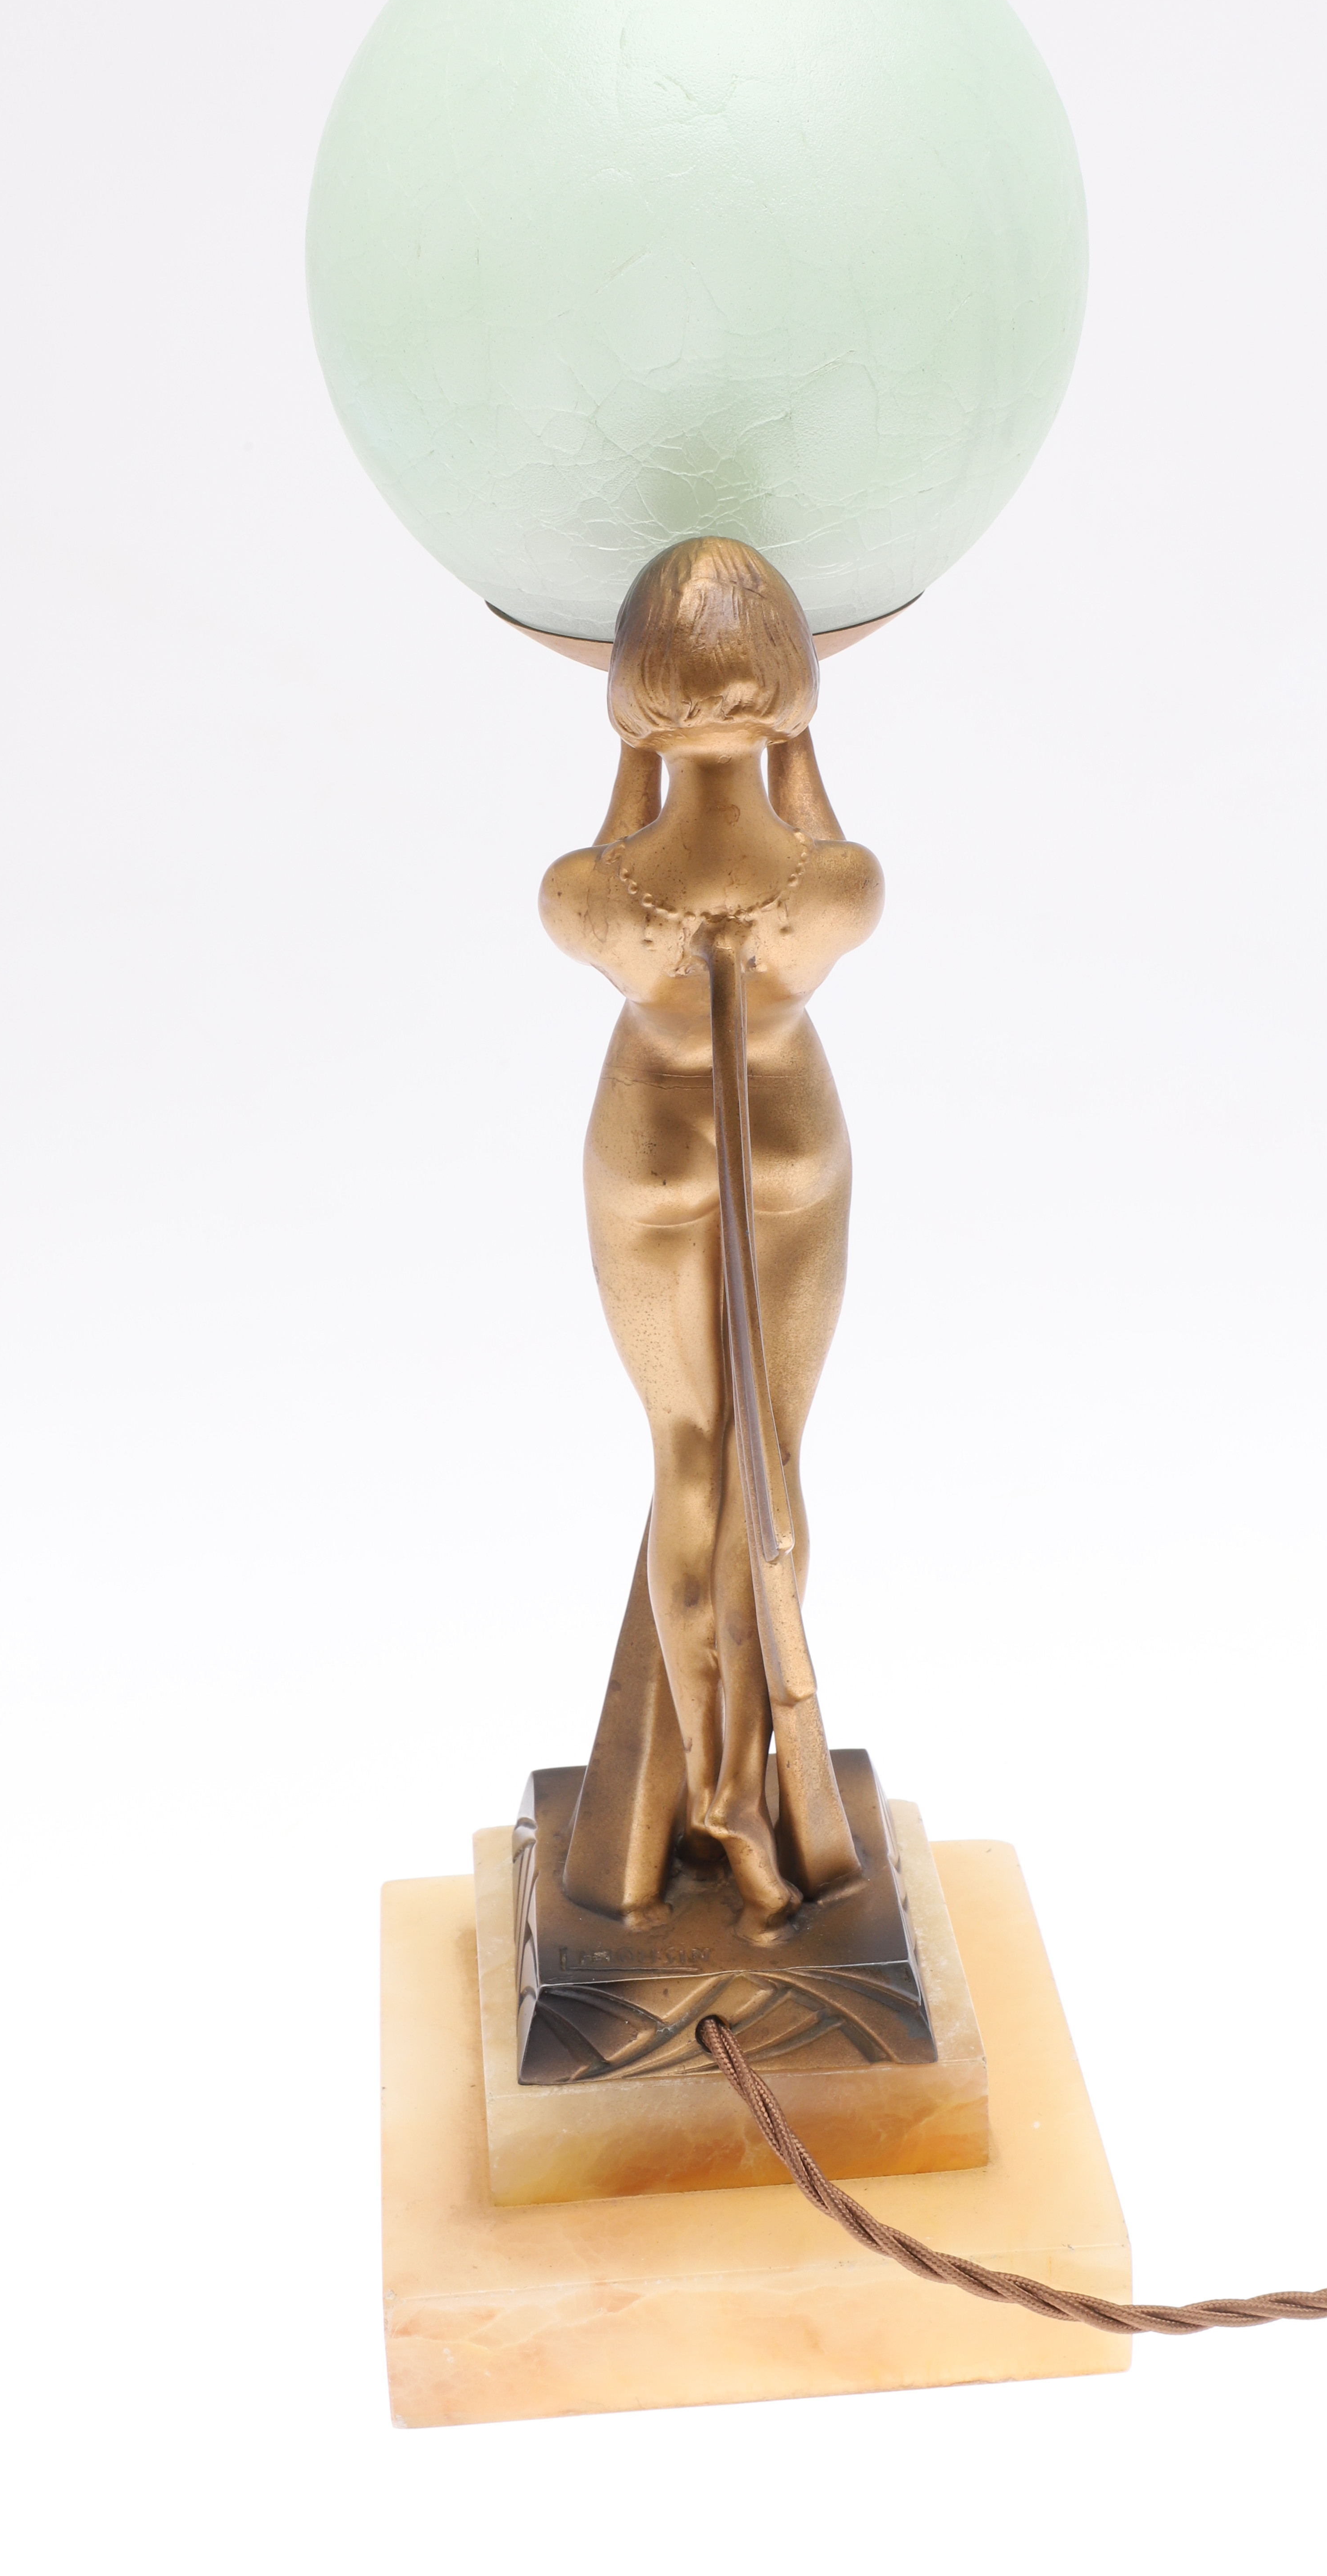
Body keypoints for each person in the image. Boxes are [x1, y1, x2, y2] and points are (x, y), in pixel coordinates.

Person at [540, 538, 884, 1929]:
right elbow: (829, 846)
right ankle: (752, 1779)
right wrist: (799, 743)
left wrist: (632, 756)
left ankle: (729, 1794)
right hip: (791, 1136)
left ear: (636, 694)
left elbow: (603, 870)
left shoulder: (600, 899)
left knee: (692, 1454)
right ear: (790, 687)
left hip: (651, 1150)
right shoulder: (832, 889)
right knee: (772, 1462)